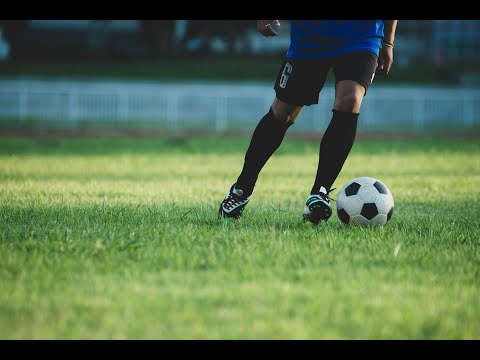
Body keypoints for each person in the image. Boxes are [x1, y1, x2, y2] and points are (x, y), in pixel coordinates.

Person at [218, 20, 398, 223]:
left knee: (350, 99)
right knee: (283, 111)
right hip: (311, 35)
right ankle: (242, 188)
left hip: (361, 35)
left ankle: (319, 193)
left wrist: (388, 43)